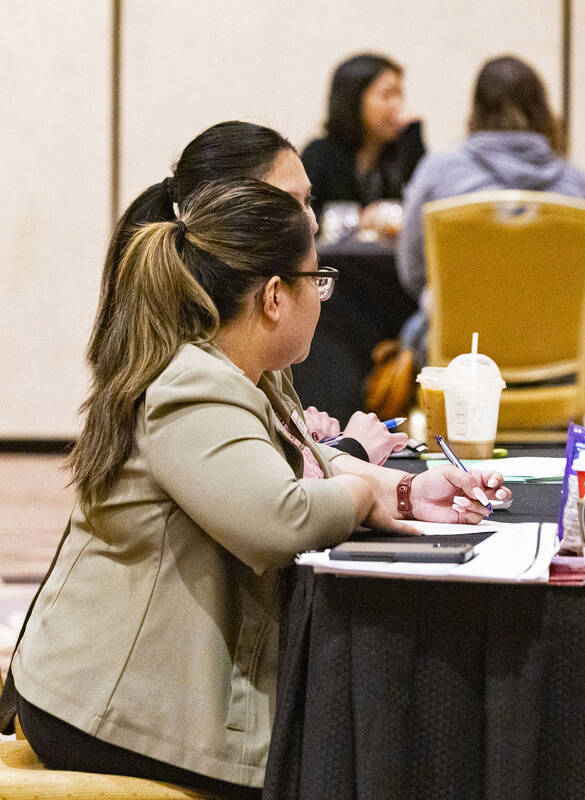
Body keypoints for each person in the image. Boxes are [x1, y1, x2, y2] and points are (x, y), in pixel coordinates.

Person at [1, 179, 509, 797]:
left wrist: (405, 493)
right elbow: (281, 518)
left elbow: (302, 461)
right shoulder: (193, 386)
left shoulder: (233, 373)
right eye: (316, 279)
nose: (323, 297)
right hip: (111, 709)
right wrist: (367, 497)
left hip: (139, 690)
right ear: (274, 296)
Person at [97, 120, 402, 464]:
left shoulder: (251, 339)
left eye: (309, 200)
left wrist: (307, 444)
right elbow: (282, 509)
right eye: (293, 203)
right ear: (237, 210)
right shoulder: (196, 374)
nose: (312, 223)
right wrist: (351, 453)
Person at [397, 54, 585, 361]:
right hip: (553, 358)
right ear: (542, 110)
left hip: (455, 357)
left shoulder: (438, 172)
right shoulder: (575, 185)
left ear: (476, 109)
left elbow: (412, 273)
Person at [302, 53, 426, 233]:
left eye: (400, 94)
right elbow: (302, 217)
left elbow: (426, 207)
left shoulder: (402, 150)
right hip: (333, 259)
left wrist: (414, 135)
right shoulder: (320, 154)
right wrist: (359, 220)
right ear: (354, 99)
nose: (398, 104)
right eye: (387, 95)